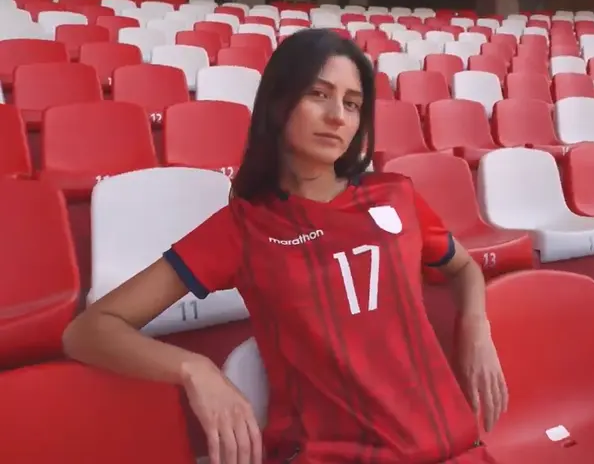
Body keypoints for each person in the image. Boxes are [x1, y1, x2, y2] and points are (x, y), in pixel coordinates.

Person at [62, 28, 508, 464]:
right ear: (278, 103)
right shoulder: (244, 227)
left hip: (456, 445)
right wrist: (193, 369)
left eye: (352, 104)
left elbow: (463, 268)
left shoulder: (396, 196)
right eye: (319, 94)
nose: (337, 116)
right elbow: (89, 330)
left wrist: (475, 326)